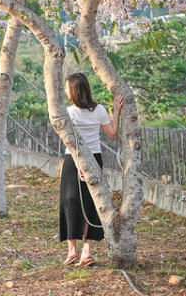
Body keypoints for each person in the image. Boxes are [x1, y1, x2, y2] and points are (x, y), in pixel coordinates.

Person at [59, 72, 124, 267]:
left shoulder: (75, 112)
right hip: (82, 159)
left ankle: (82, 252)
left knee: (80, 203)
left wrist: (116, 111)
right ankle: (76, 251)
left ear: (74, 90)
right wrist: (115, 112)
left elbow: (111, 134)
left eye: (66, 88)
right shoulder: (81, 111)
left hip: (78, 159)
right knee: (78, 203)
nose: (64, 91)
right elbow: (111, 134)